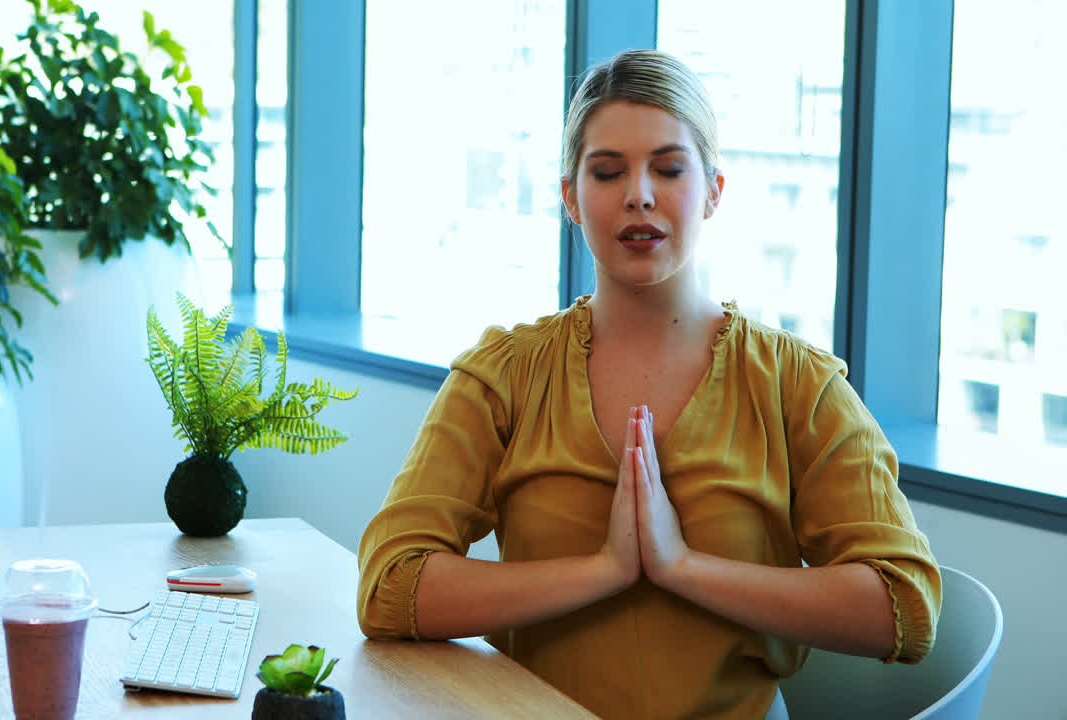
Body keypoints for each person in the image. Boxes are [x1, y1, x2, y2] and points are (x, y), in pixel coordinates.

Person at [356, 49, 941, 720]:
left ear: (714, 190)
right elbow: (389, 586)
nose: (639, 193)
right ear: (572, 197)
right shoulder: (502, 377)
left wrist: (680, 567)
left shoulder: (797, 385)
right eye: (608, 171)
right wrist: (604, 569)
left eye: (668, 168)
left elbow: (904, 607)